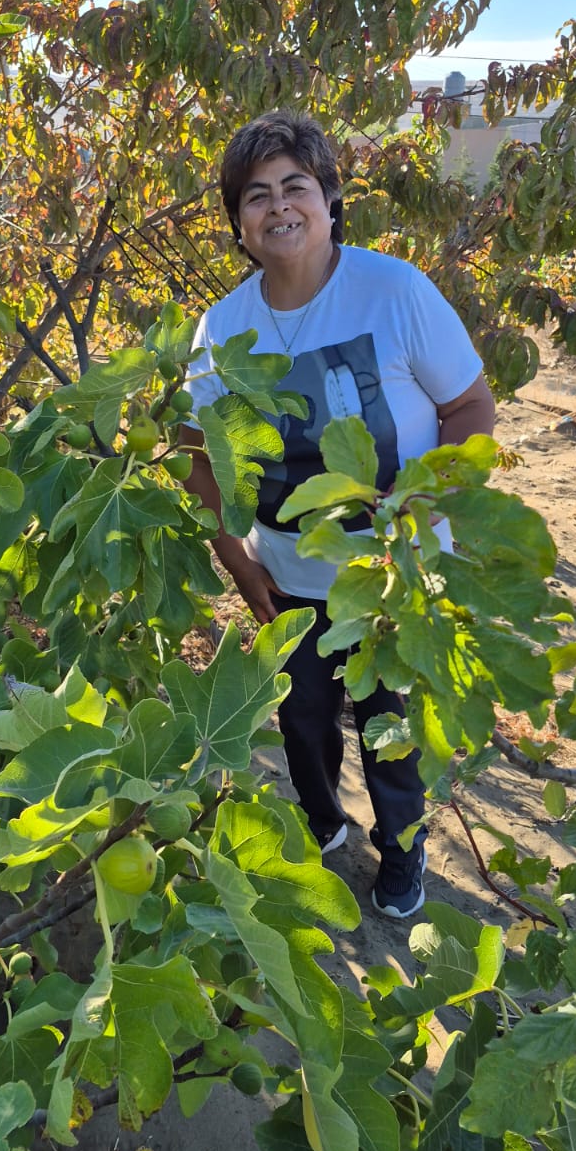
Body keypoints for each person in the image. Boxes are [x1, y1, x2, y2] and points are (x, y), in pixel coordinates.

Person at [181, 111, 495, 919]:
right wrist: (237, 559)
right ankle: (323, 822)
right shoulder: (223, 328)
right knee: (303, 718)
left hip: (397, 576)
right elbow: (196, 455)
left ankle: (402, 850)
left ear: (329, 200)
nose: (278, 206)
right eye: (256, 196)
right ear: (239, 223)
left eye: (296, 186)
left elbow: (469, 407)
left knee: (392, 730)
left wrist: (422, 502)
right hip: (290, 576)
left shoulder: (394, 291)